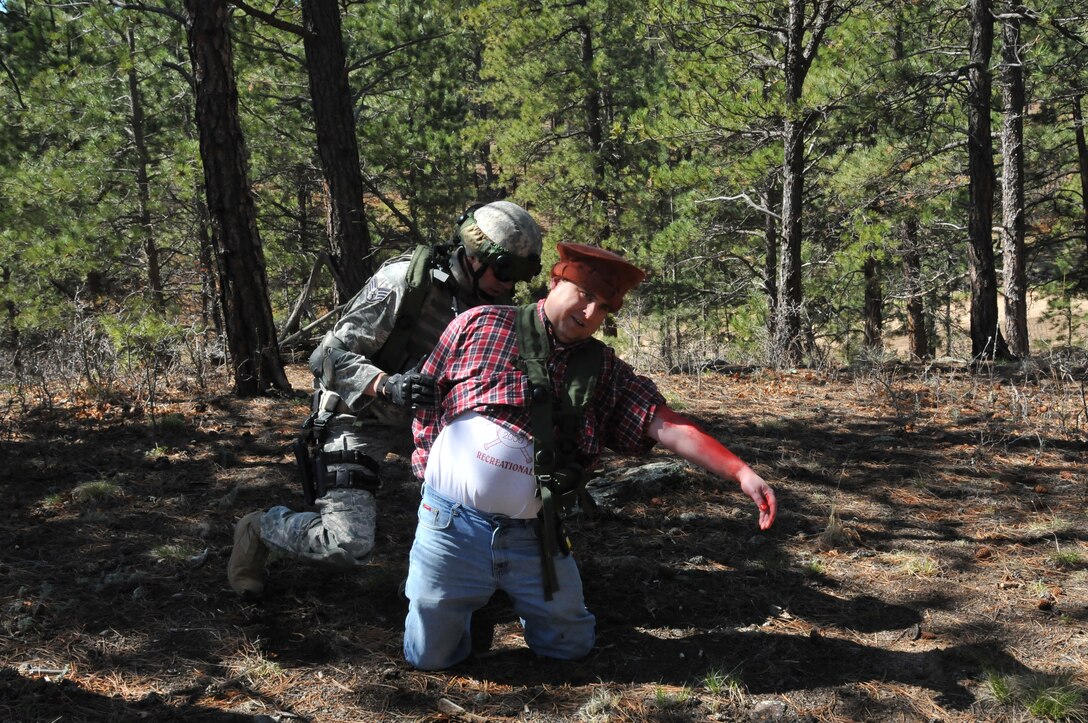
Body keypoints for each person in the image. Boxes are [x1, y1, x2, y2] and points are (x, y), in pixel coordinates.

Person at [402, 242, 777, 670]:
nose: (589, 314)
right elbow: (428, 394)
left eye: (602, 308)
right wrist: (428, 474)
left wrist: (740, 472)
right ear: (556, 281)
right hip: (451, 524)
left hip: (534, 536)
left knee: (571, 648)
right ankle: (464, 602)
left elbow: (666, 425)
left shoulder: (603, 370)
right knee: (429, 658)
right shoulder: (479, 325)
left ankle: (492, 597)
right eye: (583, 295)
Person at [227, 200, 544, 599]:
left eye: (520, 276)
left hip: (435, 426)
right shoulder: (405, 283)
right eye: (504, 271)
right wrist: (386, 385)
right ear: (475, 256)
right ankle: (259, 529)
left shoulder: (497, 308)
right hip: (359, 415)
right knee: (344, 544)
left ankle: (430, 581)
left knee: (487, 498)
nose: (510, 285)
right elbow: (325, 356)